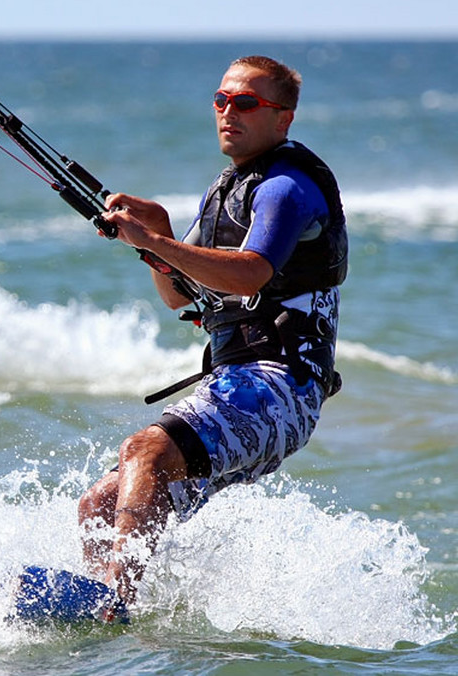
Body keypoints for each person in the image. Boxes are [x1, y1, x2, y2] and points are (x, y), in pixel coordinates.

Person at [77, 55, 348, 615]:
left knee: (144, 449)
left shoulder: (286, 188)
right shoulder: (225, 190)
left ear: (283, 119)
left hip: (282, 387)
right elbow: (179, 294)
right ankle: (114, 618)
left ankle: (114, 600)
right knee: (99, 504)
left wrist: (151, 241)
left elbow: (251, 270)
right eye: (221, 100)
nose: (228, 112)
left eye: (246, 102)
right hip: (238, 384)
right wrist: (158, 233)